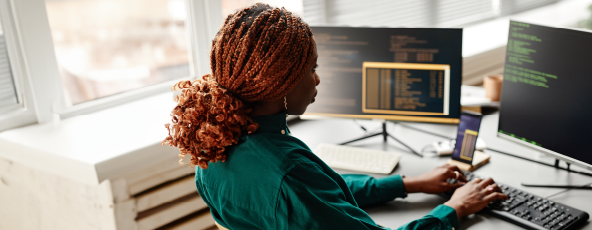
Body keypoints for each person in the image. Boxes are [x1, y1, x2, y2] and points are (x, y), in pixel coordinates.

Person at [162, 3, 507, 230]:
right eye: (311, 69)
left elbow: (323, 197)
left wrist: (408, 184)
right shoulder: (288, 172)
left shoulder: (215, 143)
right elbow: (305, 194)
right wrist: (454, 209)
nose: (318, 78)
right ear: (281, 85)